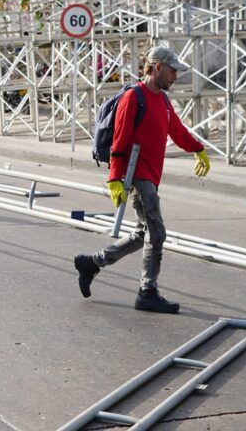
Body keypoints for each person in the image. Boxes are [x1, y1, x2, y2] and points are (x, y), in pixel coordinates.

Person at [73, 46, 211, 314]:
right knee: (157, 233)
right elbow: (120, 139)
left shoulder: (163, 100)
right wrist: (114, 178)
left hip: (152, 174)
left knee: (141, 234)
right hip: (137, 176)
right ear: (157, 66)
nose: (175, 76)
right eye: (172, 71)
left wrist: (197, 148)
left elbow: (177, 131)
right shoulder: (134, 97)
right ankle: (147, 292)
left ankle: (92, 263)